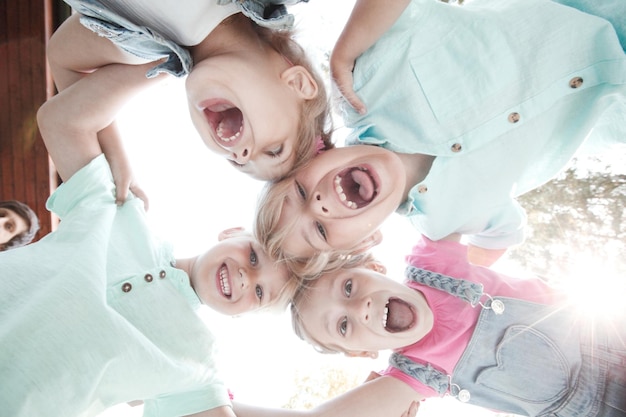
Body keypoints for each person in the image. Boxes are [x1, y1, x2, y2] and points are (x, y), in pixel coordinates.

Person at [0, 57, 297, 417]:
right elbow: (61, 119)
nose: (245, 277)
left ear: (247, 315)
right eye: (253, 257)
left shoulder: (198, 364)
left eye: (260, 293)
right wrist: (169, 65)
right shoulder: (123, 209)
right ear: (232, 232)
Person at [255, 0, 626, 273]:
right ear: (363, 242)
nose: (318, 205)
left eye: (301, 192)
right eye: (319, 229)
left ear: (314, 153)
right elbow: (500, 237)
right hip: (616, 106)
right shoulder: (444, 224)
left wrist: (345, 52)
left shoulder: (363, 84)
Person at [233, 235, 626, 417]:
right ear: (363, 353)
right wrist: (217, 409)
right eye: (344, 326)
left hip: (608, 331)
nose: (360, 309)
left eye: (349, 287)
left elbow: (446, 184)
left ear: (373, 267)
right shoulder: (414, 373)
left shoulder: (431, 264)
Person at [47, 0, 333, 184]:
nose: (242, 154)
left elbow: (63, 58)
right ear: (298, 83)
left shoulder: (138, 47)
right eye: (274, 150)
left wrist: (115, 158)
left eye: (237, 162)